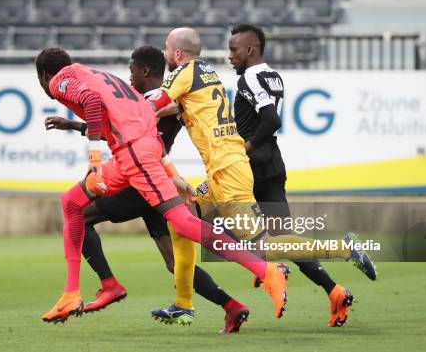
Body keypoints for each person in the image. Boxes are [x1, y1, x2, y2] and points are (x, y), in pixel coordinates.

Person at [35, 47, 289, 325]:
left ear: (45, 75)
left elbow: (92, 101)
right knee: (71, 202)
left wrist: (94, 163)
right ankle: (78, 291)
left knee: (184, 225)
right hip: (133, 156)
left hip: (133, 157)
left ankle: (264, 270)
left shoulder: (60, 80)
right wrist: (173, 173)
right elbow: (144, 119)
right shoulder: (99, 75)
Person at [148, 27, 375, 324]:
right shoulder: (207, 72)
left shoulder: (197, 72)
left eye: (167, 49)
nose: (231, 55)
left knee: (265, 245)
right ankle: (184, 302)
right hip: (232, 169)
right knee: (182, 220)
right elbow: (177, 104)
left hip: (232, 168)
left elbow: (153, 101)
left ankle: (342, 249)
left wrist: (117, 108)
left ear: (176, 53)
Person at [227, 24, 375, 327]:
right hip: (272, 165)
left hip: (250, 168)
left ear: (250, 49)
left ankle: (268, 269)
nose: (230, 55)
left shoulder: (249, 78)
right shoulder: (272, 75)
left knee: (212, 226)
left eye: (234, 49)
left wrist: (245, 148)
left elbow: (271, 119)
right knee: (285, 240)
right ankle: (334, 290)